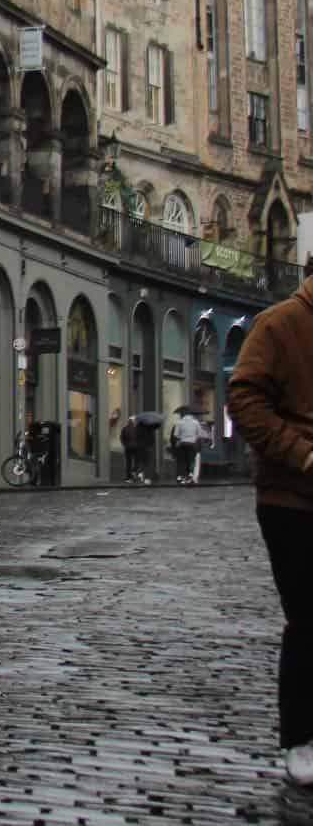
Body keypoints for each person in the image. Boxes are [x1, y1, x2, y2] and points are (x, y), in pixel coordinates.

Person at [227, 277, 313, 787]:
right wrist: (302, 453)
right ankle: (300, 739)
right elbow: (244, 398)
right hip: (292, 500)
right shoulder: (279, 324)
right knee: (307, 619)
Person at [170, 409, 203, 485]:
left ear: (183, 415)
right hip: (192, 444)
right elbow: (200, 434)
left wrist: (176, 444)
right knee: (191, 460)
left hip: (182, 444)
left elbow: (176, 435)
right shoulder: (195, 422)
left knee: (182, 461)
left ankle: (181, 476)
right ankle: (190, 474)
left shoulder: (179, 422)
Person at [118, 412, 140, 484]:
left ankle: (128, 477)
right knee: (136, 462)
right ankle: (133, 472)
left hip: (128, 448)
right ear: (133, 421)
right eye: (134, 420)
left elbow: (121, 438)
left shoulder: (125, 428)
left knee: (128, 463)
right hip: (136, 448)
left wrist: (125, 444)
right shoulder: (137, 429)